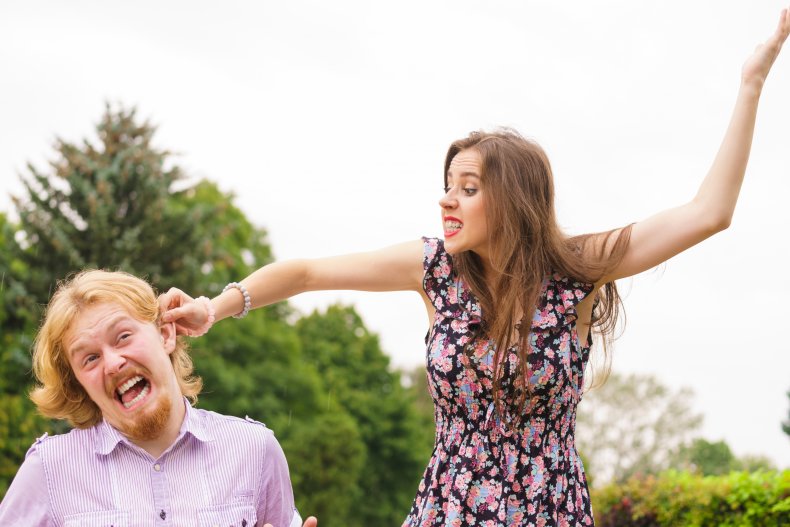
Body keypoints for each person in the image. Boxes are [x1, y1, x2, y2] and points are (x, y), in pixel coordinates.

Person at [159, 9, 790, 527]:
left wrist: (752, 83)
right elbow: (305, 274)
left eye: (466, 188)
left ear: (512, 198)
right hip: (447, 509)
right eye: (446, 185)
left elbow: (710, 212)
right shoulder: (435, 270)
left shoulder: (578, 269)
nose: (446, 200)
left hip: (552, 512)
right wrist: (213, 308)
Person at [0, 270, 316, 527]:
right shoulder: (48, 470)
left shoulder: (255, 449)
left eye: (123, 336)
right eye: (90, 359)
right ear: (80, 384)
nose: (112, 364)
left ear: (165, 334)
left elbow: (306, 275)